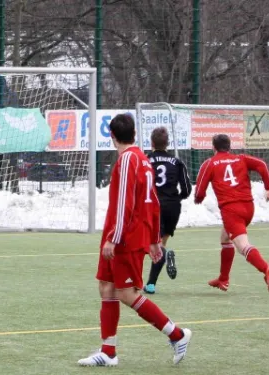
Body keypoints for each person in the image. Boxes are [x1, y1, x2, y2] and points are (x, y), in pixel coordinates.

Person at [78, 114, 192, 367]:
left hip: (124, 238)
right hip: (126, 234)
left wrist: (113, 238)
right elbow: (151, 201)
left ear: (112, 136)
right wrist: (153, 239)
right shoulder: (141, 159)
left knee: (127, 294)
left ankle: (177, 334)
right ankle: (108, 351)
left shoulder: (129, 159)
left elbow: (125, 204)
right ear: (135, 134)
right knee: (106, 288)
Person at [194, 134, 269, 294]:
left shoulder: (210, 163)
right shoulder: (241, 159)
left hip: (232, 211)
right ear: (229, 147)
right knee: (225, 237)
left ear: (213, 147)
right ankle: (223, 279)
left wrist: (198, 198)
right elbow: (262, 164)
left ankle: (265, 268)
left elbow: (199, 190)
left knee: (242, 246)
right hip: (248, 208)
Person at [143, 126, 192, 294]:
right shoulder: (177, 162)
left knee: (146, 242)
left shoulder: (145, 160)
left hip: (152, 205)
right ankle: (151, 284)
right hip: (172, 206)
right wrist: (177, 198)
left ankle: (162, 258)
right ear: (167, 144)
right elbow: (186, 188)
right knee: (160, 243)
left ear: (152, 143)